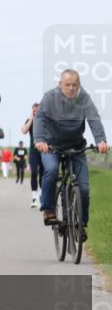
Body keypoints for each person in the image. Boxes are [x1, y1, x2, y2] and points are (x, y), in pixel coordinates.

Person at [34, 69, 108, 239]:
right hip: (51, 146)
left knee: (83, 187)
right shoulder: (49, 97)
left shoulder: (84, 99)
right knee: (51, 170)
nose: (71, 88)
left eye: (75, 85)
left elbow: (94, 119)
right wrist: (40, 140)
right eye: (68, 85)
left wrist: (101, 140)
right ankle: (48, 209)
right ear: (60, 84)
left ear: (79, 85)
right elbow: (40, 119)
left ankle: (80, 224)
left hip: (76, 147)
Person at [22, 103, 43, 207]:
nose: (35, 112)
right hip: (33, 151)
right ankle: (34, 198)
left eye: (37, 110)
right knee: (34, 172)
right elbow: (24, 131)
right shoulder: (30, 121)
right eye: (34, 110)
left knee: (43, 173)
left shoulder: (45, 120)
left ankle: (42, 196)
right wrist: (31, 118)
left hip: (44, 150)